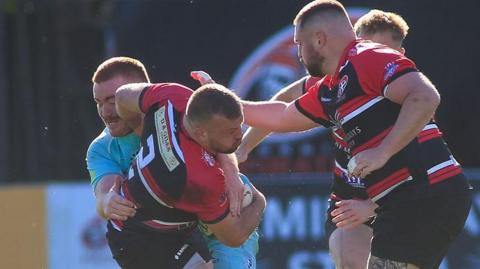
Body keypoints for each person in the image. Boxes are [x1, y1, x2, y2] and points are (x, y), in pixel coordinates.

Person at [235, 1, 472, 268]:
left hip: (421, 194)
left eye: (300, 44)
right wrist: (226, 105)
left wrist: (383, 152)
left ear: (320, 39)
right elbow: (283, 112)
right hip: (394, 200)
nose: (299, 54)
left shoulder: (366, 58)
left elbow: (426, 97)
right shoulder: (332, 85)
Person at [86, 57, 261, 268]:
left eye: (111, 101)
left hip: (193, 216)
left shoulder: (173, 104)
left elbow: (216, 139)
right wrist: (107, 202)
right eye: (98, 103)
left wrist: (232, 176)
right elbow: (104, 194)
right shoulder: (102, 148)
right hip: (155, 231)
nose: (105, 112)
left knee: (240, 194)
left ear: (140, 89)